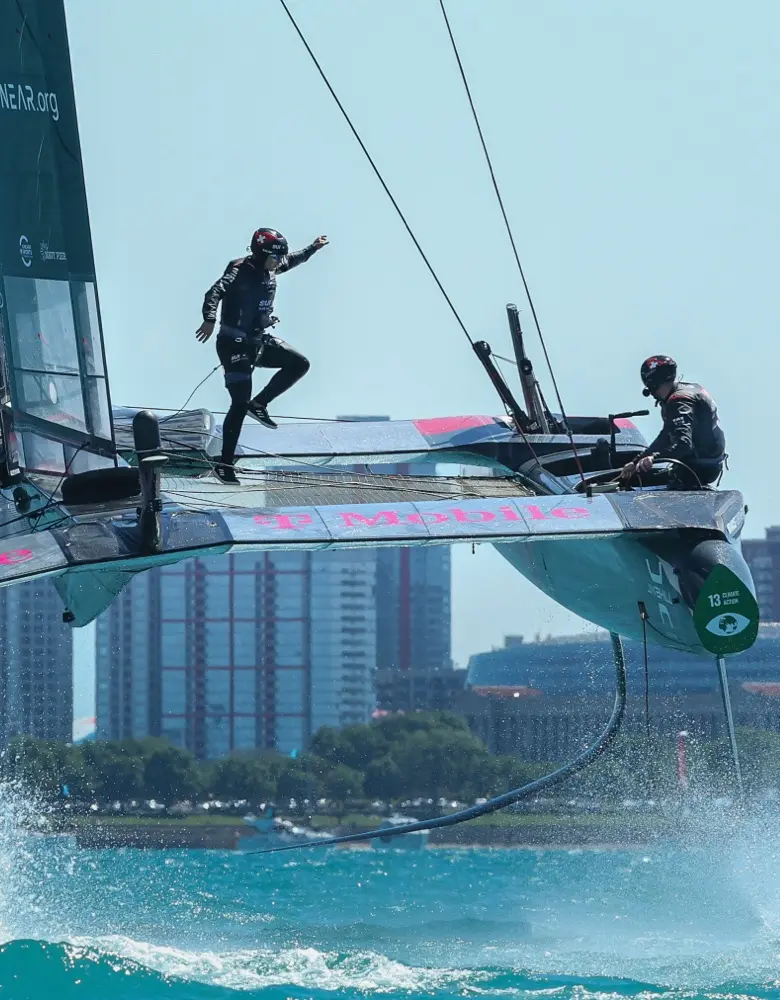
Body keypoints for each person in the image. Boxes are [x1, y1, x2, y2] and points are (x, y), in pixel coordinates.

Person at [195, 227, 328, 483]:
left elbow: (294, 259)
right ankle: (224, 464)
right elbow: (213, 293)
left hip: (257, 342)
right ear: (259, 254)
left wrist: (313, 247)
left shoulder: (272, 266)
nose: (279, 262)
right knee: (238, 401)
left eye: (280, 258)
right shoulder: (239, 271)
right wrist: (209, 319)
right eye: (275, 257)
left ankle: (259, 404)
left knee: (299, 364)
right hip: (233, 344)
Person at [620, 355, 726, 488]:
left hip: (700, 468)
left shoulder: (679, 402)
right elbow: (666, 435)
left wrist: (654, 458)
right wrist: (636, 461)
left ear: (654, 383)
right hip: (711, 462)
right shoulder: (687, 389)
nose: (651, 393)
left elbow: (684, 444)